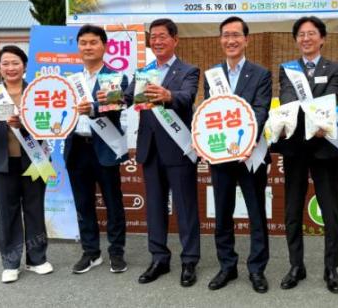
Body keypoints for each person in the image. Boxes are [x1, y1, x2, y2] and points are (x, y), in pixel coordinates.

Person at [124, 18, 201, 286]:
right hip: (150, 149)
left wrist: (168, 95)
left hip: (179, 149)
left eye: (162, 36)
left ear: (175, 40)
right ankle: (159, 258)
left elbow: (187, 97)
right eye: (153, 37)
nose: (156, 41)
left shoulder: (189, 70)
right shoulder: (143, 72)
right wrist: (105, 101)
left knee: (185, 207)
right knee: (155, 207)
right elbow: (127, 97)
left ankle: (189, 260)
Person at [203, 16, 272, 294]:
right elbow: (210, 112)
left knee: (256, 213)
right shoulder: (212, 75)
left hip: (250, 154)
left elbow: (261, 110)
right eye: (226, 35)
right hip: (221, 155)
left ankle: (257, 269)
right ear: (220, 40)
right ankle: (227, 266)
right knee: (222, 212)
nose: (230, 40)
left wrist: (246, 142)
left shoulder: (260, 73)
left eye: (236, 35)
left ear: (246, 40)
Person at [277, 16, 338, 294]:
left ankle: (331, 268)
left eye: (311, 33)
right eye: (301, 34)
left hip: (323, 147)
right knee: (292, 209)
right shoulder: (287, 69)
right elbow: (286, 100)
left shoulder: (336, 69)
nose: (306, 38)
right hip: (295, 147)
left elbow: (330, 101)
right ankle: (296, 266)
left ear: (322, 38)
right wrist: (306, 115)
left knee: (330, 210)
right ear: (296, 40)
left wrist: (312, 116)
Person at [0, 46, 52, 283]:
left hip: (34, 160)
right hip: (1, 164)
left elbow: (47, 125)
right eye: (5, 63)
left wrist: (23, 126)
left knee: (35, 209)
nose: (10, 68)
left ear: (24, 65)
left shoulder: (37, 91)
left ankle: (37, 259)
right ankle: (10, 262)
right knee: (6, 213)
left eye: (15, 63)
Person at [64, 25, 128, 274]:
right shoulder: (70, 81)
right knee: (83, 203)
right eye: (83, 43)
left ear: (105, 46)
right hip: (77, 148)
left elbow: (113, 109)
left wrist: (92, 109)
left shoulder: (115, 77)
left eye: (93, 42)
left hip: (105, 146)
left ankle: (116, 252)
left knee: (113, 202)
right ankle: (91, 252)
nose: (88, 47)